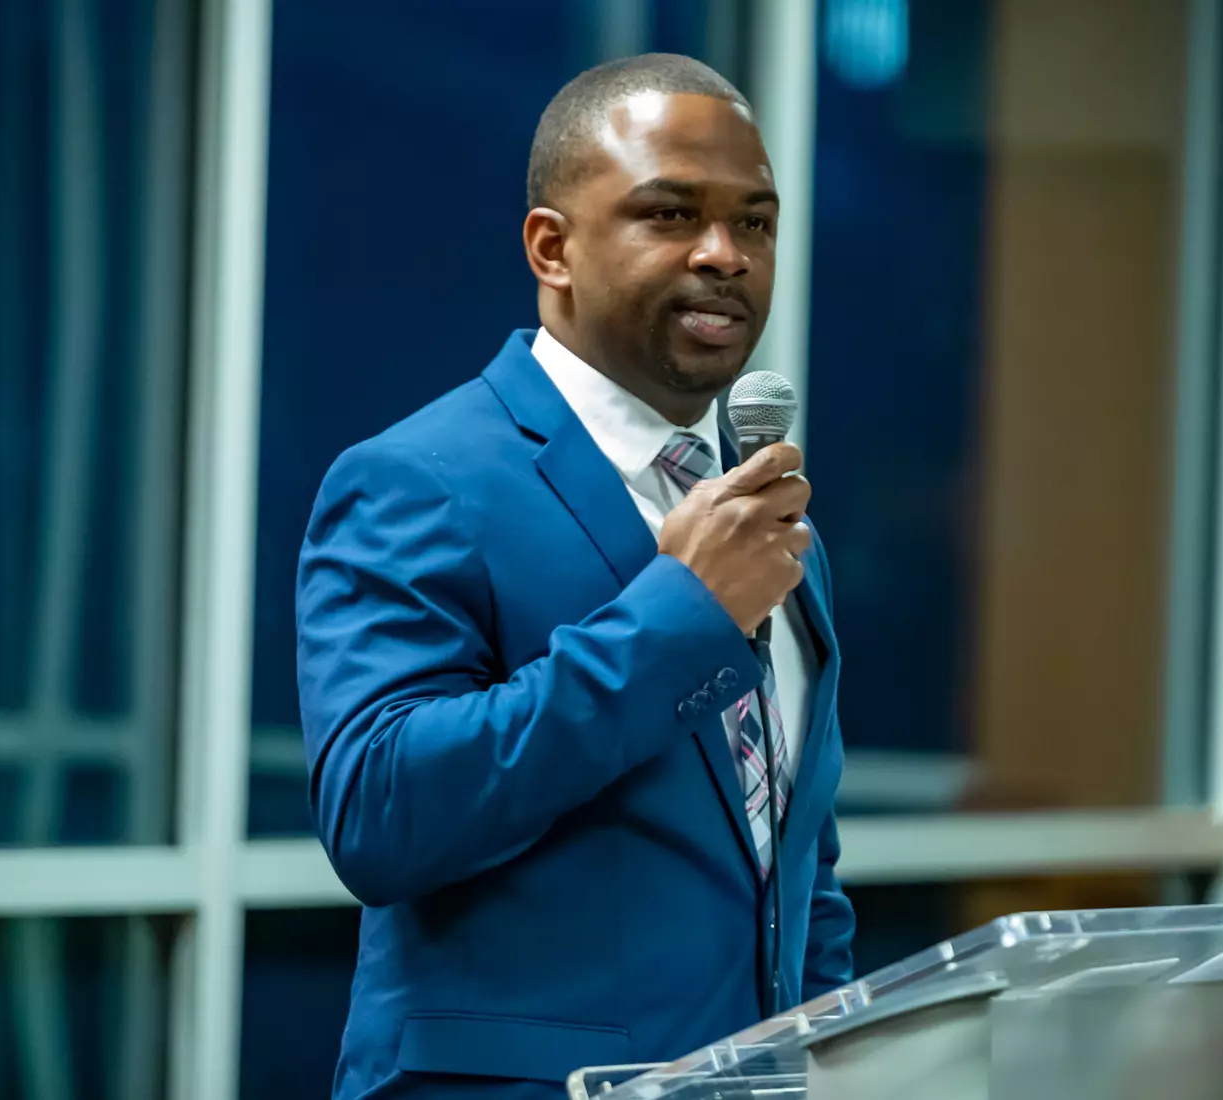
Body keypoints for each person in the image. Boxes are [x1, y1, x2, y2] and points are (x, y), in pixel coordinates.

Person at [297, 53, 854, 1100]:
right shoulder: (419, 478)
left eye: (756, 222)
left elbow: (797, 861)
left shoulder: (773, 529)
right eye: (670, 214)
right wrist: (682, 613)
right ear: (552, 247)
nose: (725, 255)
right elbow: (381, 813)